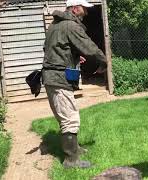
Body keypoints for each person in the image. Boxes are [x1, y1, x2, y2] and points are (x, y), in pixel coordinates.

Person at [42, 0, 107, 169]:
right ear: (75, 8)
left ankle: (75, 148)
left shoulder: (54, 25)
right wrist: (103, 62)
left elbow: (54, 49)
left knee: (67, 115)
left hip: (52, 77)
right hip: (58, 78)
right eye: (84, 9)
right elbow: (90, 47)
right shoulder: (71, 26)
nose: (86, 13)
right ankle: (71, 161)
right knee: (70, 119)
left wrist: (74, 57)